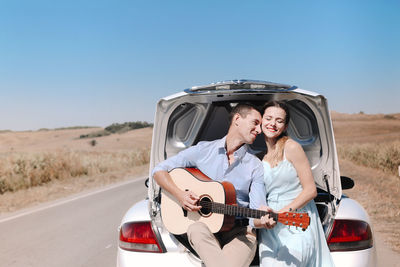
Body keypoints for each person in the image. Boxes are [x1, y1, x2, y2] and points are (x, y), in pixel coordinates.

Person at [152, 103, 275, 267]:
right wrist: (180, 195)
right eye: (255, 123)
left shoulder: (255, 165)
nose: (260, 130)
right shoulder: (202, 150)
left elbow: (257, 212)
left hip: (240, 233)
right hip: (204, 228)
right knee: (195, 228)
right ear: (237, 119)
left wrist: (264, 219)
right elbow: (159, 170)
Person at [258, 101, 335, 267]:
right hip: (270, 225)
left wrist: (283, 213)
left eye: (279, 120)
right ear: (261, 121)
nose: (272, 123)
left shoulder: (292, 147)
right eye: (269, 118)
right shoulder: (260, 158)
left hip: (297, 218)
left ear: (285, 126)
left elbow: (310, 190)